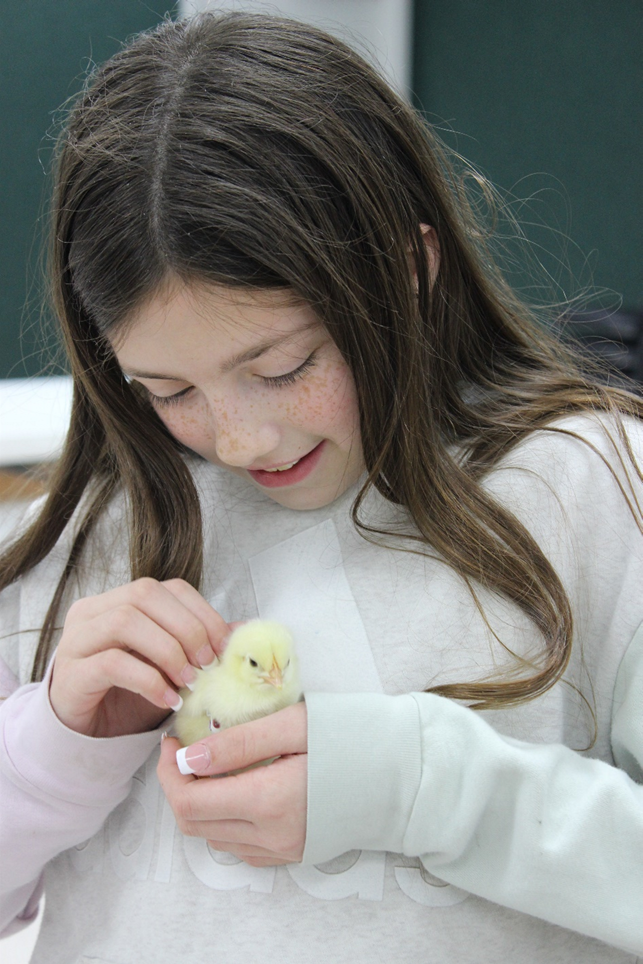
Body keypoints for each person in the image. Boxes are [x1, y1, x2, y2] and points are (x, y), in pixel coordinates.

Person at [1, 12, 642, 963]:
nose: (238, 438)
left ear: (411, 268)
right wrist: (56, 748)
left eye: (286, 364)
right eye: (168, 389)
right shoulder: (98, 533)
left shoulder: (589, 486)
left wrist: (420, 784)